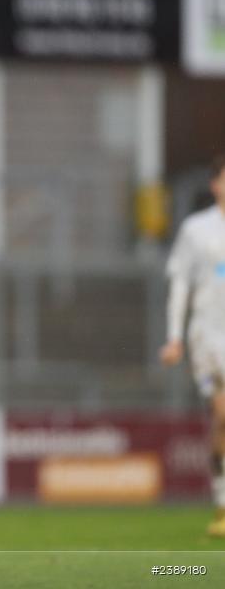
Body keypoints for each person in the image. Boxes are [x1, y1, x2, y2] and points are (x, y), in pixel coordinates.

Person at [160, 154, 225, 537]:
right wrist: (174, 338)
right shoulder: (195, 230)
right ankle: (222, 500)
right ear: (215, 185)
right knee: (222, 415)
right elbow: (179, 285)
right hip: (208, 337)